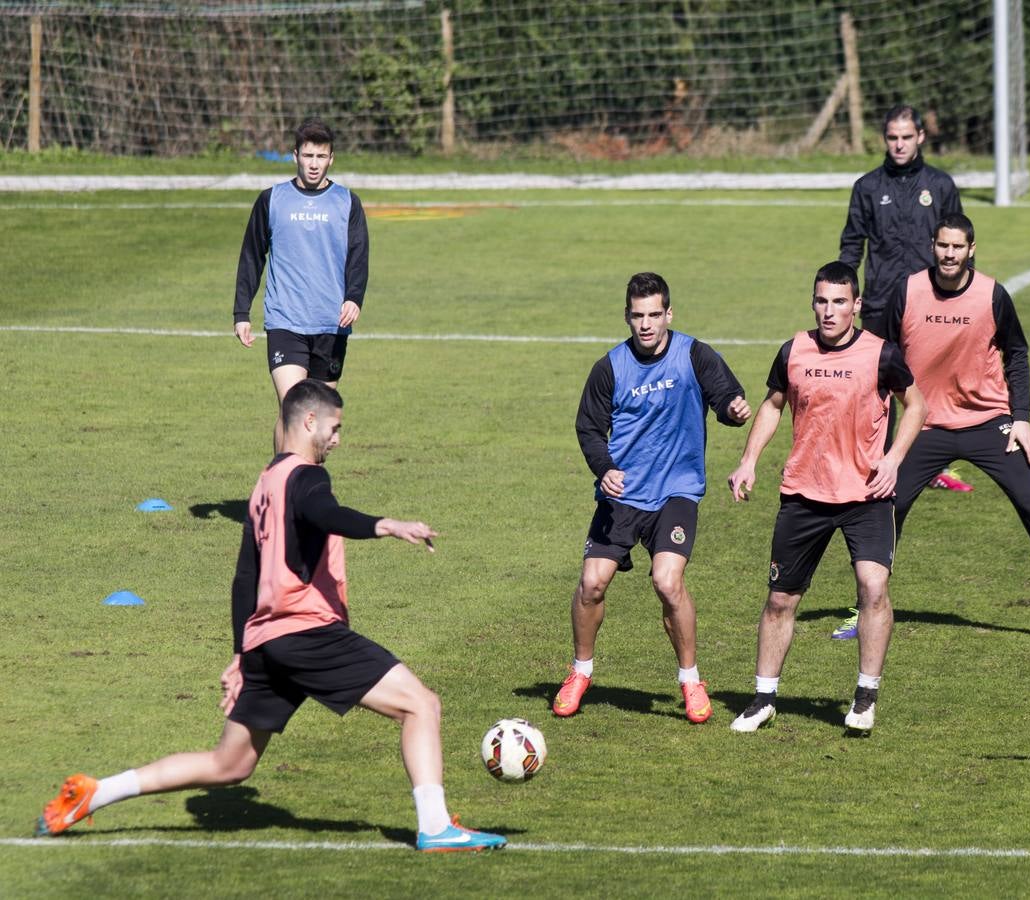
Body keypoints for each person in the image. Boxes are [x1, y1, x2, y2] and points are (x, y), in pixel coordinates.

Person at [37, 380, 506, 851]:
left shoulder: (265, 483)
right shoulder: (307, 476)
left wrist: (242, 655)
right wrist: (388, 526)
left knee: (230, 765)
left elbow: (245, 578)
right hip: (306, 632)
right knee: (421, 705)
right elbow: (326, 513)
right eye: (335, 427)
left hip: (266, 642)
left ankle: (95, 793)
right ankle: (435, 827)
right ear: (309, 421)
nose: (338, 439)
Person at [726, 262, 927, 734]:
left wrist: (894, 458)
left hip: (866, 494)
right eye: (822, 301)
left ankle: (865, 696)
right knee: (780, 601)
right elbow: (774, 404)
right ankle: (763, 699)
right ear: (812, 302)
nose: (829, 311)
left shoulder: (882, 354)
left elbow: (916, 403)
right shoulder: (793, 350)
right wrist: (749, 460)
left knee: (873, 588)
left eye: (839, 302)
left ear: (856, 305)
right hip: (804, 494)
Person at [884, 213, 1030, 644]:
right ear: (933, 246)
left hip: (989, 422)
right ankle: (866, 607)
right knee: (885, 510)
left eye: (957, 247)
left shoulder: (992, 295)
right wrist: (881, 433)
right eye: (942, 246)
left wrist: (1020, 418)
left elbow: (1017, 354)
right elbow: (882, 357)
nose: (949, 254)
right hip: (925, 423)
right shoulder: (907, 291)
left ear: (971, 250)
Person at [554, 273, 751, 722]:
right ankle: (581, 671)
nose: (645, 324)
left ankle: (690, 680)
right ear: (627, 316)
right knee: (591, 584)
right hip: (623, 495)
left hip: (676, 492)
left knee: (667, 581)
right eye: (637, 316)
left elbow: (725, 397)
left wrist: (734, 411)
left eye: (653, 315)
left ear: (669, 314)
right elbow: (588, 428)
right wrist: (605, 470)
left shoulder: (693, 354)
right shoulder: (610, 367)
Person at [839, 104, 971, 494]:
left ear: (920, 138)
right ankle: (875, 463)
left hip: (929, 304)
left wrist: (962, 294)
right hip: (880, 300)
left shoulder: (941, 185)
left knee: (929, 387)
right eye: (893, 138)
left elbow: (961, 247)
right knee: (877, 387)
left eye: (906, 137)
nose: (899, 145)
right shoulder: (867, 187)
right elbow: (851, 243)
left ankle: (931, 466)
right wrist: (846, 292)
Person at [233, 120, 369, 453]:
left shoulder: (347, 202)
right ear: (295, 155)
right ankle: (278, 487)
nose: (313, 163)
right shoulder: (272, 200)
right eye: (307, 155)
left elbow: (359, 256)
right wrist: (241, 311)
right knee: (293, 410)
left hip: (331, 324)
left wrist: (354, 298)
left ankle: (305, 490)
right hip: (286, 322)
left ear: (331, 159)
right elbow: (252, 255)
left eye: (320, 156)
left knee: (320, 420)